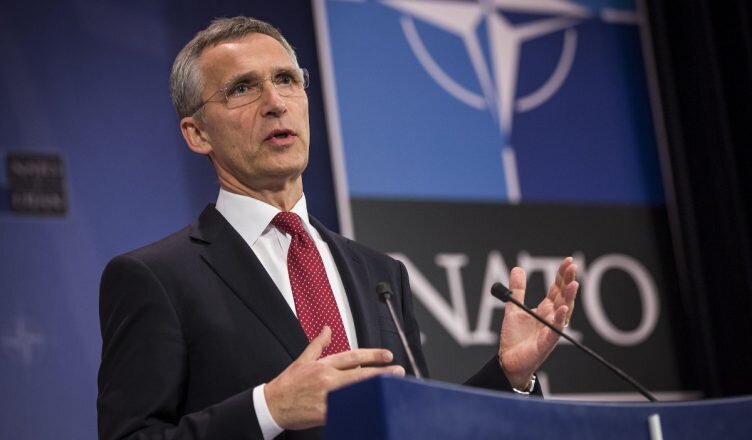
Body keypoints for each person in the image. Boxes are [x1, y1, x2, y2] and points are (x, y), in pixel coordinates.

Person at [97, 16, 578, 440]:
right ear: (197, 133)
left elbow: (418, 426)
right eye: (242, 88)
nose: (274, 102)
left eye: (286, 79)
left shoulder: (380, 274)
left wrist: (508, 377)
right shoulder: (156, 278)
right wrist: (269, 408)